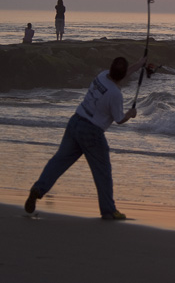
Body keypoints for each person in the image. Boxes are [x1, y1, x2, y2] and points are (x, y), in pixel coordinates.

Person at [24, 55, 146, 220]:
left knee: (59, 161)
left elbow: (119, 76)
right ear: (122, 73)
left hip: (75, 121)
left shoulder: (102, 76)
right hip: (92, 132)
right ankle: (108, 211)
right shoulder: (116, 94)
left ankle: (38, 188)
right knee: (102, 172)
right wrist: (130, 114)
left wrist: (138, 65)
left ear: (110, 69)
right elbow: (119, 119)